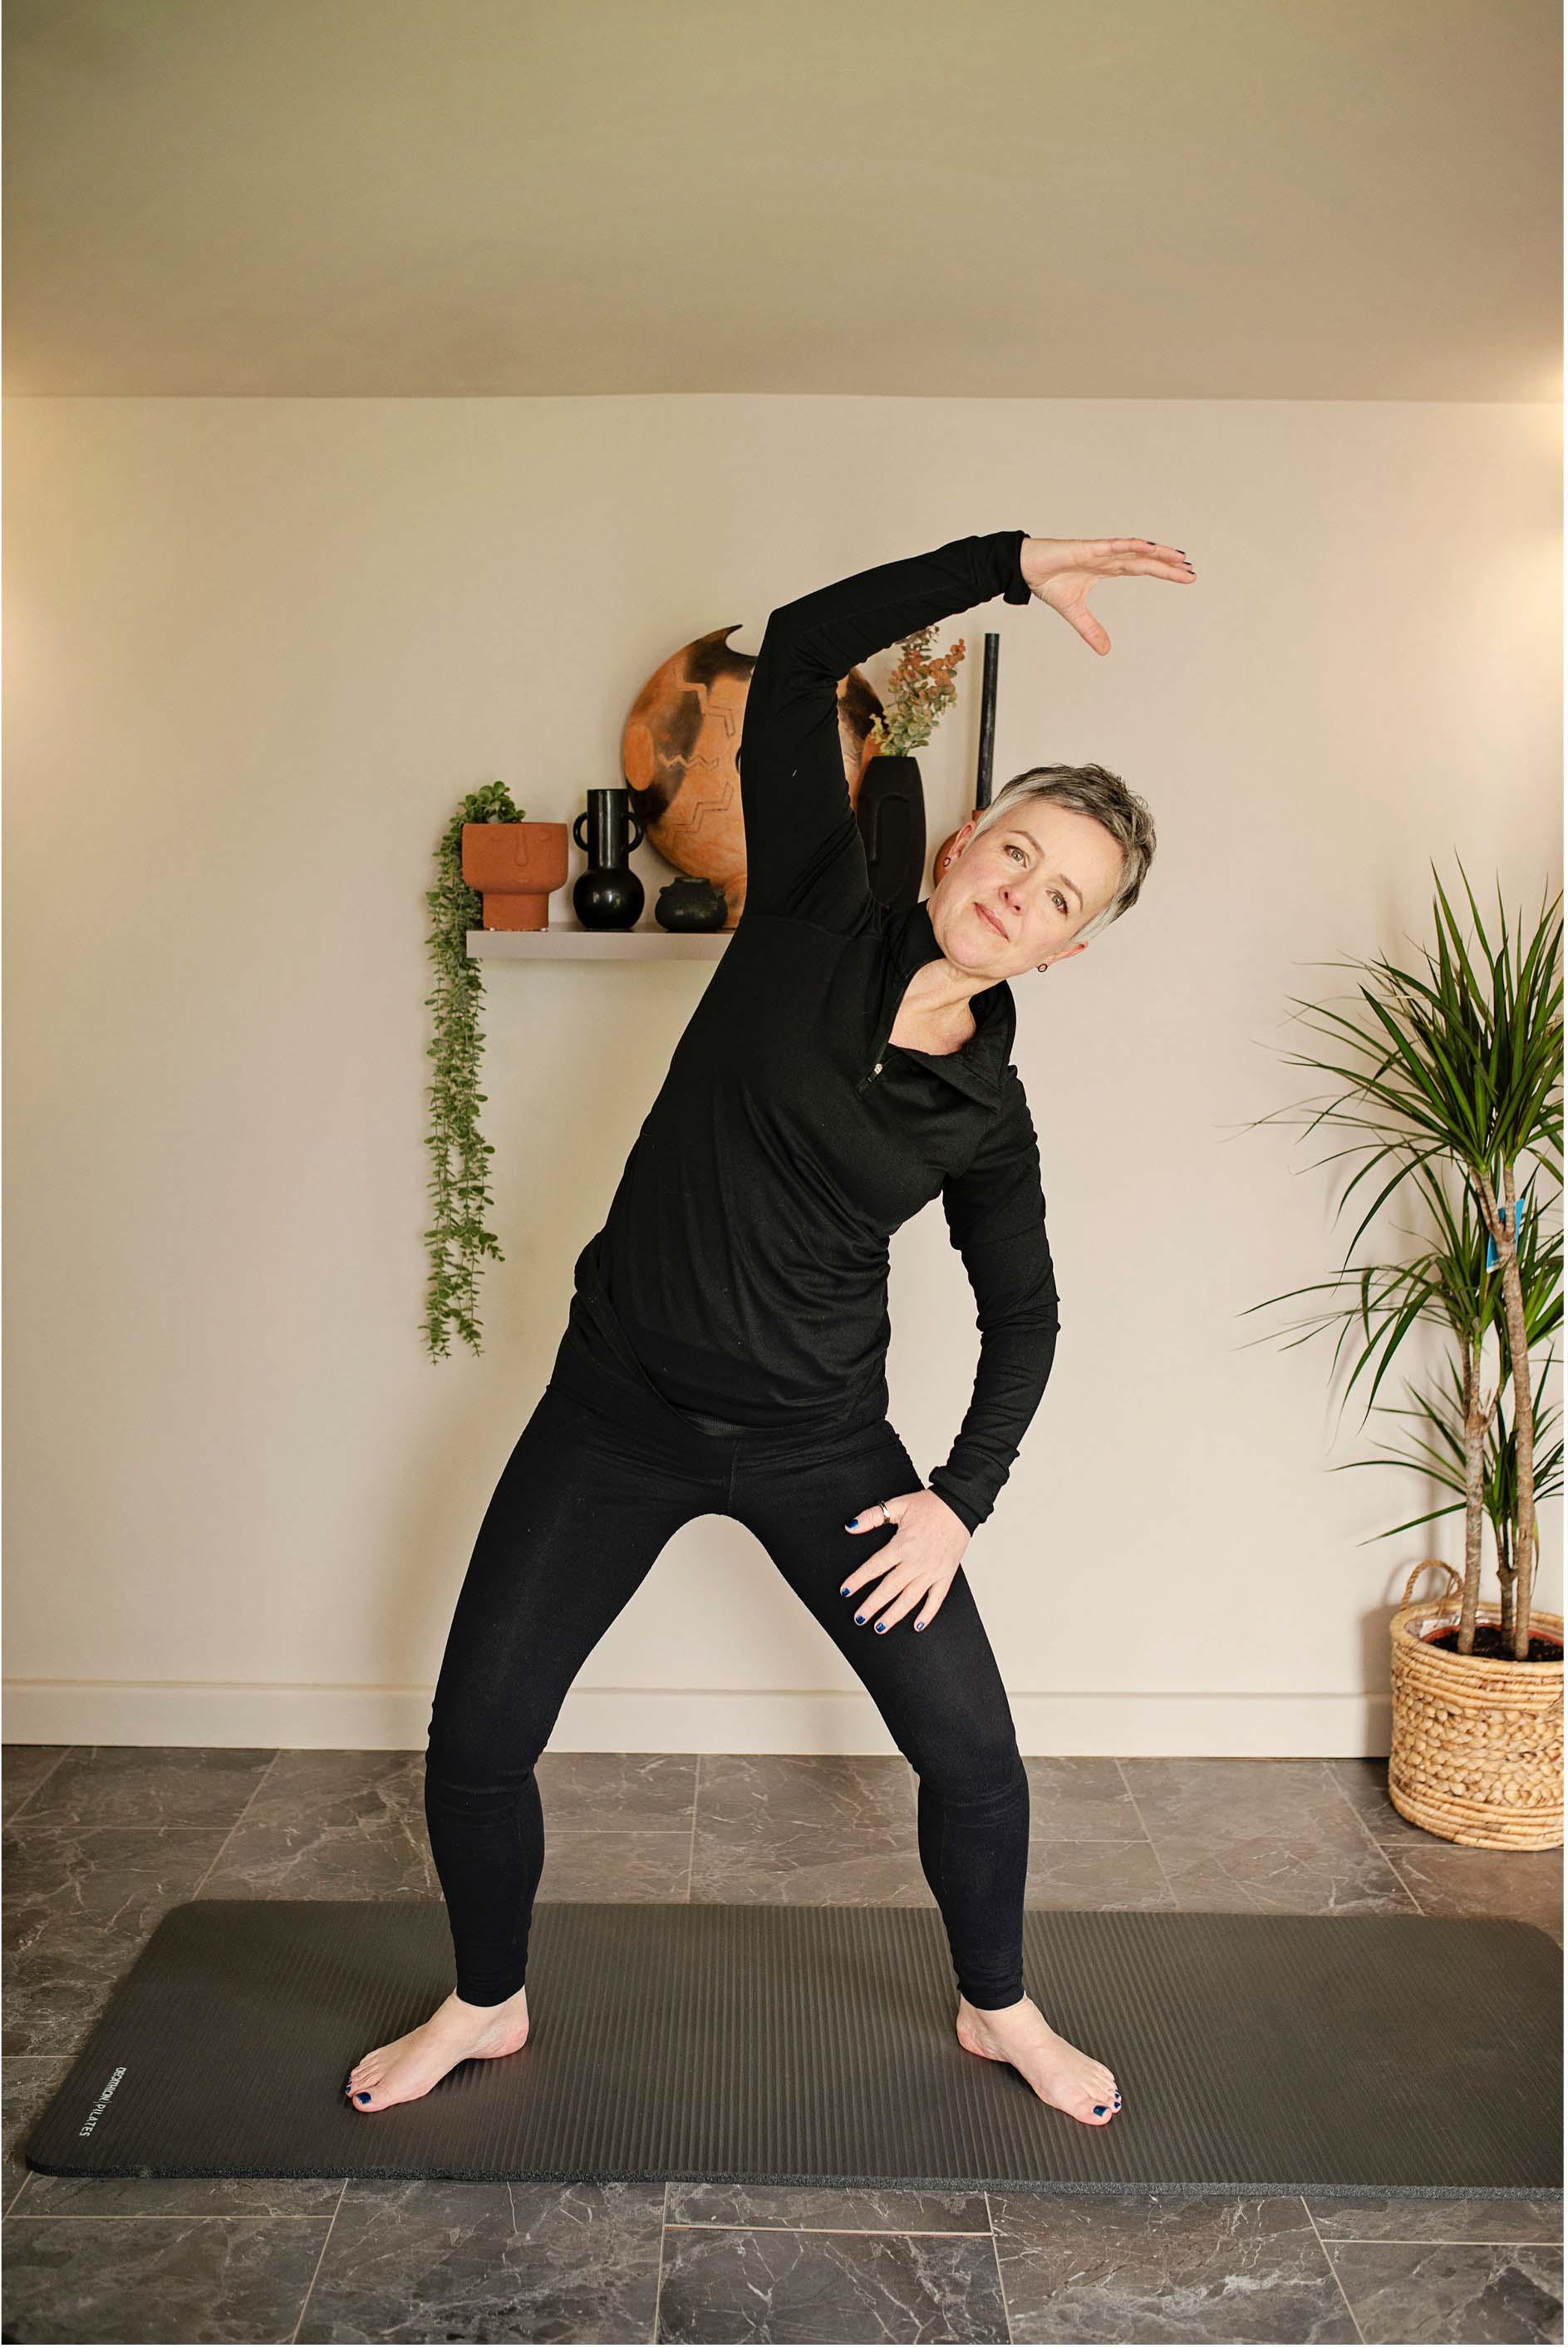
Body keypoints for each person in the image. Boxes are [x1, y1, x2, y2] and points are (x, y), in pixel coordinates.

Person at [346, 526, 1186, 2123]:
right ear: (963, 843)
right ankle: (484, 2002)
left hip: (821, 1448)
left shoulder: (984, 1119)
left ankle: (999, 2009)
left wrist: (958, 1500)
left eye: (1061, 897)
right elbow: (797, 648)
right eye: (1017, 851)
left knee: (975, 1760)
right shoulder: (811, 902)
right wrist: (1010, 562)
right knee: (477, 1738)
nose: (1021, 892)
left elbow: (1027, 1317)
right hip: (616, 1413)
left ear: (1067, 947)